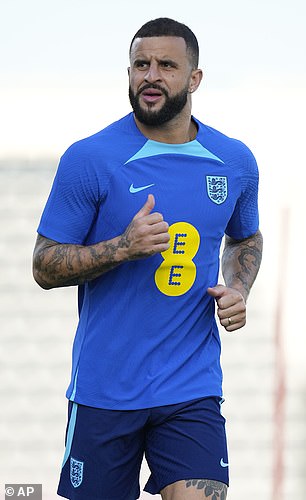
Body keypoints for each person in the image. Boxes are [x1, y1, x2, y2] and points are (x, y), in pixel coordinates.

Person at [33, 17, 263, 500]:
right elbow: (44, 265)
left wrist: (238, 287)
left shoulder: (235, 161)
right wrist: (123, 246)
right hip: (103, 390)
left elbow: (245, 238)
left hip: (191, 388)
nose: (150, 75)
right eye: (140, 64)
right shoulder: (89, 158)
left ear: (194, 79)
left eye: (166, 65)